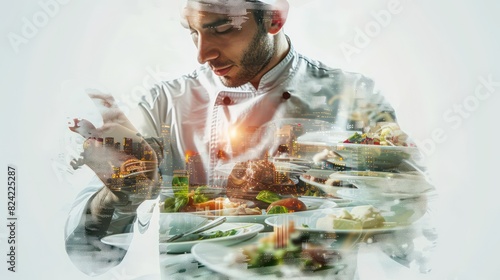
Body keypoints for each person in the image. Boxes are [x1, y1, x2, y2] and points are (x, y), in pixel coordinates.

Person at [65, 0, 404, 276]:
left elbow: (412, 245)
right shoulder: (164, 105)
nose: (202, 53)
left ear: (274, 18)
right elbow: (91, 259)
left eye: (222, 29)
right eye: (194, 32)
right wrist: (116, 198)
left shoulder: (353, 97)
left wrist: (389, 195)